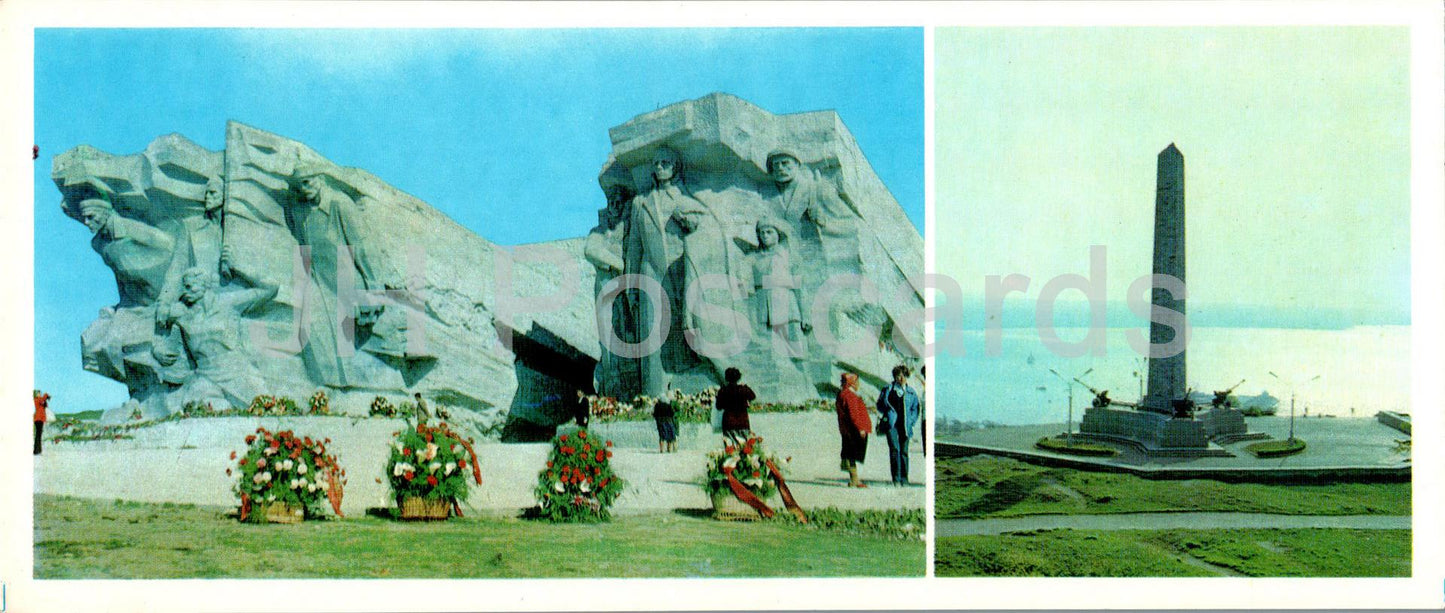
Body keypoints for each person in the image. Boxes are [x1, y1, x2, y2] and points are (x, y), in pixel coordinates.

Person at [875, 364, 921, 486]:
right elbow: (879, 404)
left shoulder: (911, 392)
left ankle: (904, 479)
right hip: (891, 425)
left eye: (903, 376)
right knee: (894, 450)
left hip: (905, 426)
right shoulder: (888, 389)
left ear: (907, 376)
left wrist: (911, 421)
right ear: (894, 377)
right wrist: (887, 414)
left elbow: (915, 409)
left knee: (904, 452)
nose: (901, 378)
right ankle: (896, 478)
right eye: (898, 376)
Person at [835, 373, 871, 488]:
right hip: (853, 430)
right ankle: (854, 480)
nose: (858, 384)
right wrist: (860, 428)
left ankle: (854, 480)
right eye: (857, 382)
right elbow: (853, 414)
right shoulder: (849, 395)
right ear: (852, 382)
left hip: (846, 430)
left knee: (849, 455)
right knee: (852, 455)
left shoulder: (842, 394)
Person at [716, 367, 757, 443]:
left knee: (730, 446)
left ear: (726, 378)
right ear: (738, 378)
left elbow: (718, 407)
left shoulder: (723, 391)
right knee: (745, 445)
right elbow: (753, 396)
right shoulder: (744, 389)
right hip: (742, 421)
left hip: (729, 422)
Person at [33, 390, 52, 456]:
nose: (39, 394)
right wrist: (46, 395)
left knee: (39, 435)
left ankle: (38, 451)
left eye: (40, 393)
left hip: (41, 419)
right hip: (38, 419)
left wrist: (47, 399)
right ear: (36, 395)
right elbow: (43, 399)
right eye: (38, 393)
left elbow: (45, 405)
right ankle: (36, 451)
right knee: (38, 435)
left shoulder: (41, 401)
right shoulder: (36, 400)